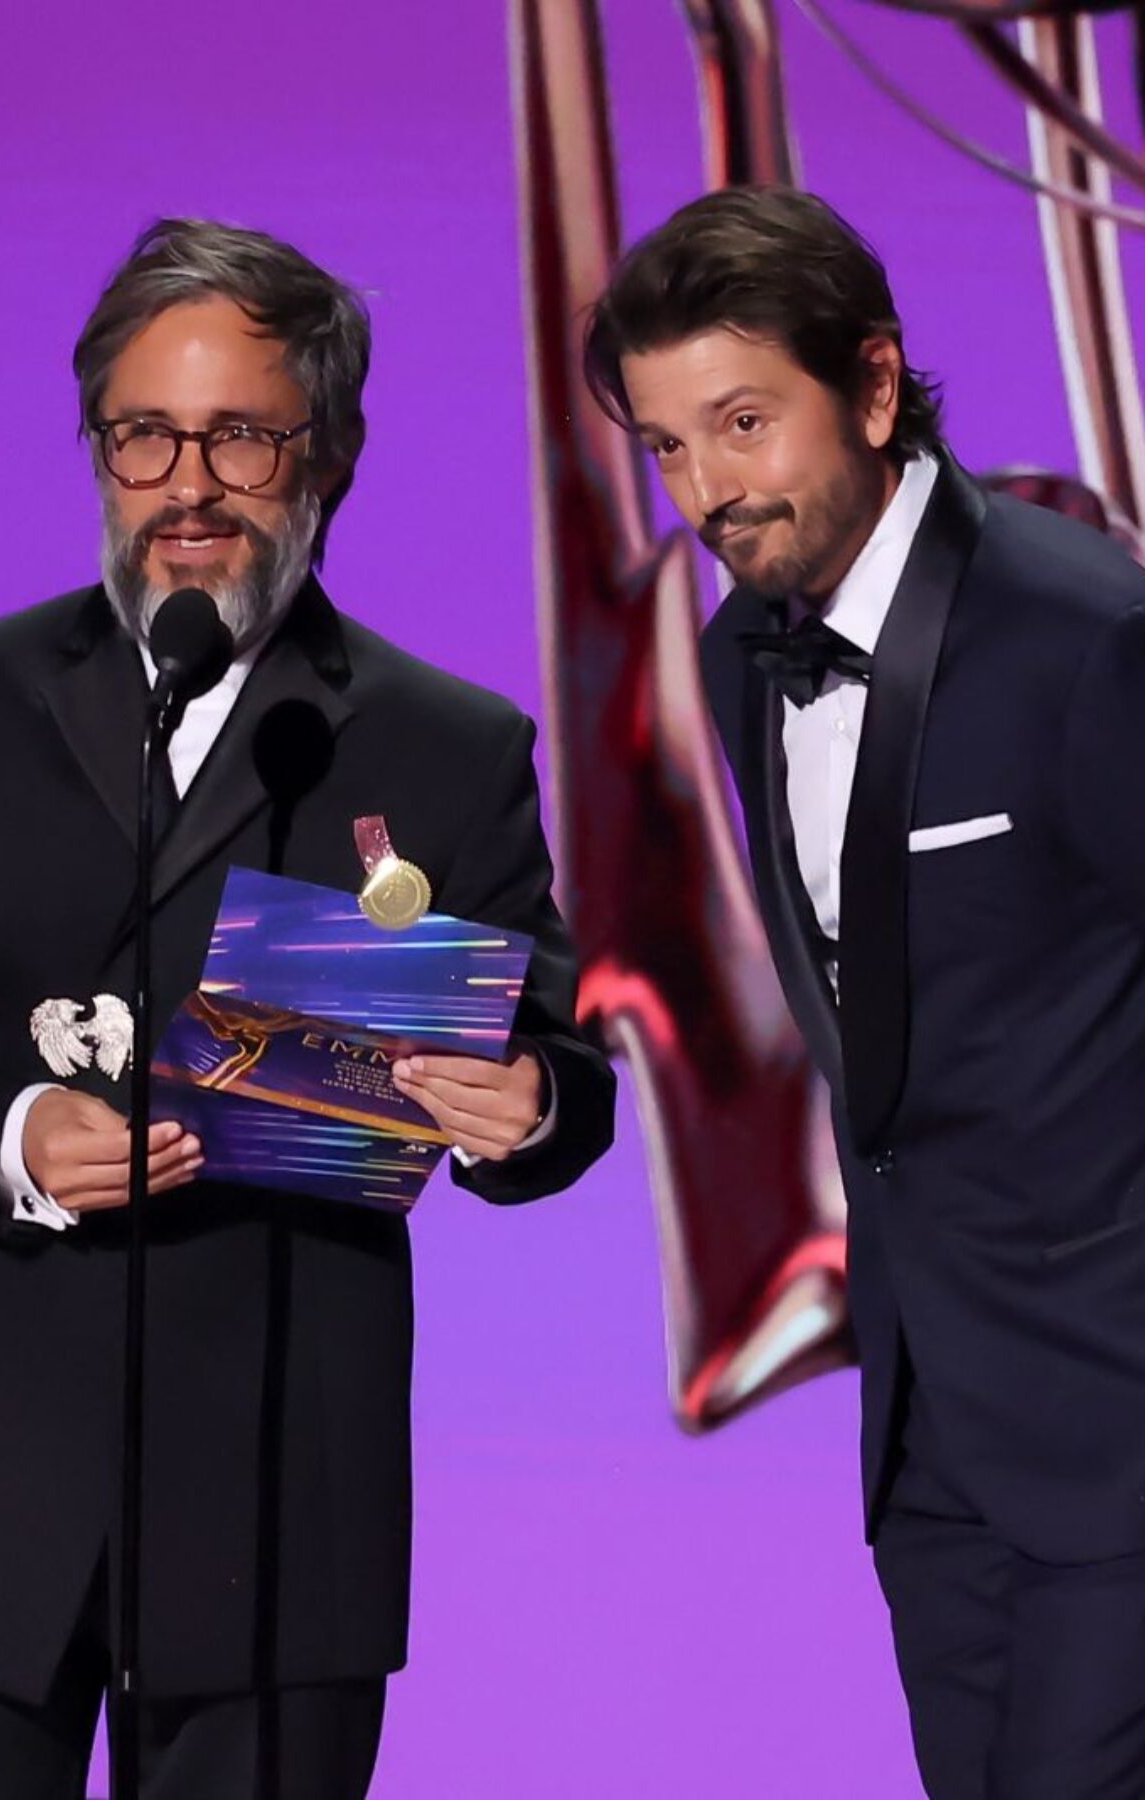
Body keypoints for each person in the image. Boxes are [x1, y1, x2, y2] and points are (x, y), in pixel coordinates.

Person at [0, 217, 615, 1799]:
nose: (187, 484)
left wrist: (526, 1109)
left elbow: (561, 1052)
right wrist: (10, 1134)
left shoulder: (445, 745)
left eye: (241, 436)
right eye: (144, 435)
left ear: (333, 458)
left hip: (269, 1525)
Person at [585, 184, 1145, 1799]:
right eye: (673, 447)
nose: (710, 491)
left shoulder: (1082, 637)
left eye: (745, 423)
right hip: (929, 1436)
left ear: (877, 387)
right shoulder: (731, 653)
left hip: (1113, 1426)